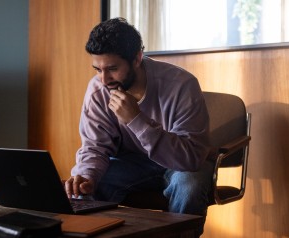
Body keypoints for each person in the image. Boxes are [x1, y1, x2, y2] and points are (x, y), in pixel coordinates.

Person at [65, 17, 214, 236]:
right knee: (85, 187)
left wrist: (136, 120)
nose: (104, 80)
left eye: (112, 69)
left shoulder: (181, 85)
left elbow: (190, 158)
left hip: (181, 164)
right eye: (97, 69)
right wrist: (86, 176)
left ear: (137, 58)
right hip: (132, 164)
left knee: (189, 185)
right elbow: (95, 147)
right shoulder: (98, 90)